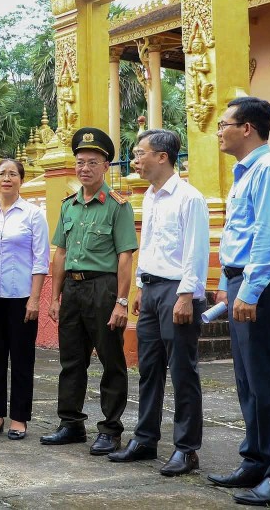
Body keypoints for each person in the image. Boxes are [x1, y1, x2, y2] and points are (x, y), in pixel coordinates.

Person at [209, 97, 270, 506]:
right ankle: (256, 459)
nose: (219, 131)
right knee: (248, 381)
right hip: (242, 281)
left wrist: (248, 290)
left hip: (261, 285)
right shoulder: (245, 173)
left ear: (247, 128)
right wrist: (225, 287)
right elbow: (237, 235)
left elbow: (267, 235)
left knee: (268, 381)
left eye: (224, 124)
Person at [108, 129, 208, 477]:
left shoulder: (189, 197)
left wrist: (186, 295)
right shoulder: (149, 196)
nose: (135, 160)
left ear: (162, 157)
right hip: (151, 291)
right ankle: (145, 438)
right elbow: (148, 244)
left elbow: (196, 250)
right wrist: (138, 287)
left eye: (140, 153)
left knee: (183, 371)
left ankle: (186, 448)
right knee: (148, 370)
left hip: (177, 293)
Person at [40, 128, 138, 456]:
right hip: (73, 288)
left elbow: (125, 255)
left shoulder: (117, 206)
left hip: (104, 288)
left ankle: (110, 430)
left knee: (111, 360)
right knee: (71, 359)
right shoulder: (69, 206)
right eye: (80, 162)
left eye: (92, 162)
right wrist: (54, 297)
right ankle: (70, 423)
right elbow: (60, 254)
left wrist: (122, 301)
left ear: (105, 166)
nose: (84, 168)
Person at [0, 158, 50, 441]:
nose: (6, 178)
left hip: (21, 297)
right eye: (1, 174)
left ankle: (19, 418)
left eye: (12, 174)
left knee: (21, 358)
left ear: (21, 179)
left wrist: (34, 299)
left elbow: (40, 260)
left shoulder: (33, 214)